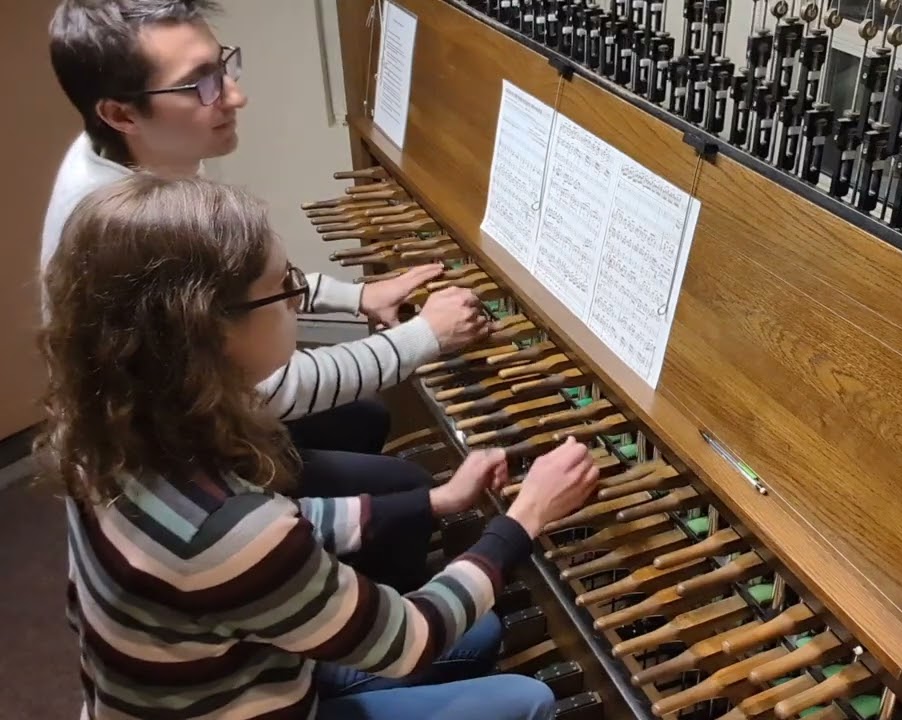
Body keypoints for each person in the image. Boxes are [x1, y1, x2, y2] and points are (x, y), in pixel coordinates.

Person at [39, 173, 601, 720]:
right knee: (530, 699)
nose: (297, 300)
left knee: (480, 631)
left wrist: (434, 503)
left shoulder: (105, 430)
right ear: (211, 332)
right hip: (240, 699)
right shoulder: (235, 533)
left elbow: (278, 530)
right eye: (283, 287)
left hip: (195, 683)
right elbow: (413, 638)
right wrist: (524, 520)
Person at [43, 0, 459, 594]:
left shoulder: (137, 155)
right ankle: (342, 637)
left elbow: (240, 284)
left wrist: (358, 295)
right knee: (400, 485)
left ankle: (313, 587)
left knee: (363, 416)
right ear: (120, 112)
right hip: (169, 476)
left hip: (185, 426)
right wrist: (425, 338)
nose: (234, 97)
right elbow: (270, 389)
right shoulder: (130, 224)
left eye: (223, 68)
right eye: (202, 84)